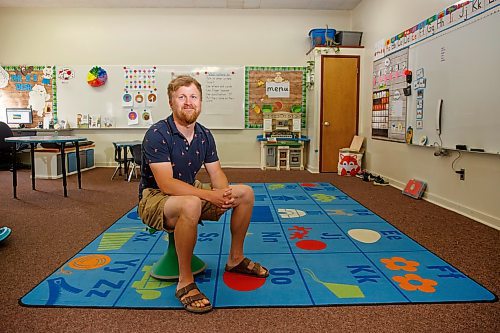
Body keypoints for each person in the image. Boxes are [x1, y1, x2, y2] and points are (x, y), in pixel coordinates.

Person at [138, 75, 269, 313]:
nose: (188, 102)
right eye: (182, 97)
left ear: (200, 102)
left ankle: (235, 259)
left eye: (193, 97)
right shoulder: (157, 133)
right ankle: (185, 281)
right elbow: (166, 183)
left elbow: (216, 171)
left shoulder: (204, 134)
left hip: (190, 190)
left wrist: (223, 193)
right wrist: (209, 196)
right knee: (190, 204)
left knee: (245, 193)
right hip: (155, 197)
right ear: (171, 102)